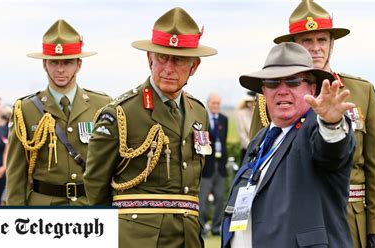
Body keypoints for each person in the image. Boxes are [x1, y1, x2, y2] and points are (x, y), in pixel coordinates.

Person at [249, 1, 375, 246]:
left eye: (322, 40)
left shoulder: (360, 91)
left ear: (332, 44)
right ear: (294, 45)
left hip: (350, 216)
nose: (316, 48)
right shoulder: (271, 96)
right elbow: (259, 166)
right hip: (294, 220)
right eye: (307, 41)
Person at [83, 7, 217, 247]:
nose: (168, 68)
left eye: (178, 60)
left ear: (194, 66)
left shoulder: (198, 112)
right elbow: (95, 183)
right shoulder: (120, 113)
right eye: (162, 58)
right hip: (137, 238)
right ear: (149, 59)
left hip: (188, 235)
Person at [221, 42, 355, 247]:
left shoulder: (314, 129)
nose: (282, 90)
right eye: (273, 83)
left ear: (312, 87)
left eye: (293, 82)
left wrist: (331, 124)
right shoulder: (261, 138)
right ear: (264, 91)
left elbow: (332, 152)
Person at [6, 19, 111, 205]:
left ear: (79, 64)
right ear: (44, 64)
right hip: (44, 209)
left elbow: (111, 163)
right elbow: (16, 172)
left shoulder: (102, 105)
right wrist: (15, 216)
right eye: (54, 62)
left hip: (89, 206)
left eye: (67, 62)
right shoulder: (26, 109)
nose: (60, 69)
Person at [199, 92, 228, 236]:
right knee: (202, 199)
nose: (216, 106)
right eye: (214, 103)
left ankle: (216, 228)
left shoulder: (224, 119)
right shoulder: (202, 118)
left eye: (218, 104)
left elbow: (223, 142)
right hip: (206, 167)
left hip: (220, 166)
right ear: (208, 103)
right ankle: (202, 227)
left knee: (220, 198)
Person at [235, 91, 255, 162]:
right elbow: (242, 135)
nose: (250, 104)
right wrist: (253, 148)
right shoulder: (241, 114)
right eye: (248, 102)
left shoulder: (261, 113)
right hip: (247, 150)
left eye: (252, 102)